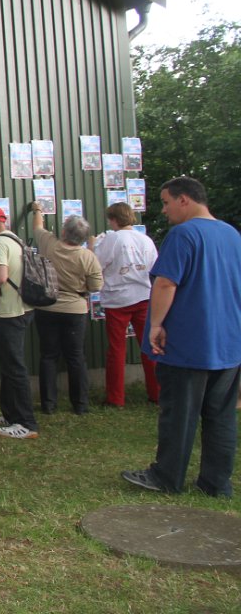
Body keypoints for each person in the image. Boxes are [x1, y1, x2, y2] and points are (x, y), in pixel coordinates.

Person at [122, 177, 241, 497]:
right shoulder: (232, 234)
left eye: (165, 202)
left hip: (189, 342)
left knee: (179, 413)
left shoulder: (184, 234)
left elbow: (165, 283)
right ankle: (216, 483)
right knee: (221, 415)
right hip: (229, 343)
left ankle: (166, 476)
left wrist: (156, 325)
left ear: (184, 199)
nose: (164, 210)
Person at [29, 204, 103, 415]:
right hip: (75, 310)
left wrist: (37, 211)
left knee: (48, 355)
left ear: (63, 232)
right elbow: (96, 286)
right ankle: (80, 404)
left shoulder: (49, 245)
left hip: (48, 308)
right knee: (76, 356)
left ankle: (48, 404)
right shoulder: (88, 256)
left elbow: (37, 228)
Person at [0, 205, 39, 439]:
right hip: (22, 309)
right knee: (10, 365)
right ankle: (11, 414)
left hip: (10, 312)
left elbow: (1, 277)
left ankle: (26, 423)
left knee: (15, 368)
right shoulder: (15, 240)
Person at [90, 202, 159, 406]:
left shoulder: (113, 238)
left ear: (113, 219)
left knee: (116, 349)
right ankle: (157, 392)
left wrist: (93, 245)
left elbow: (96, 264)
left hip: (117, 298)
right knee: (148, 347)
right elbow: (155, 267)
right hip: (143, 295)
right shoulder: (145, 240)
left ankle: (116, 397)